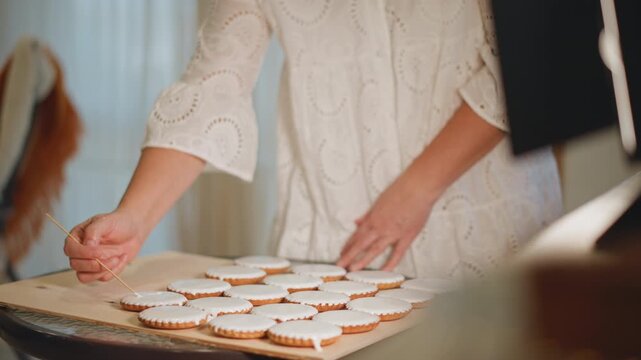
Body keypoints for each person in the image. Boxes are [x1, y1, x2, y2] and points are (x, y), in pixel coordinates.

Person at [64, 0, 562, 283]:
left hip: (486, 230)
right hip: (330, 243)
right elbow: (212, 87)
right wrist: (132, 217)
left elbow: (521, 62)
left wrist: (416, 190)